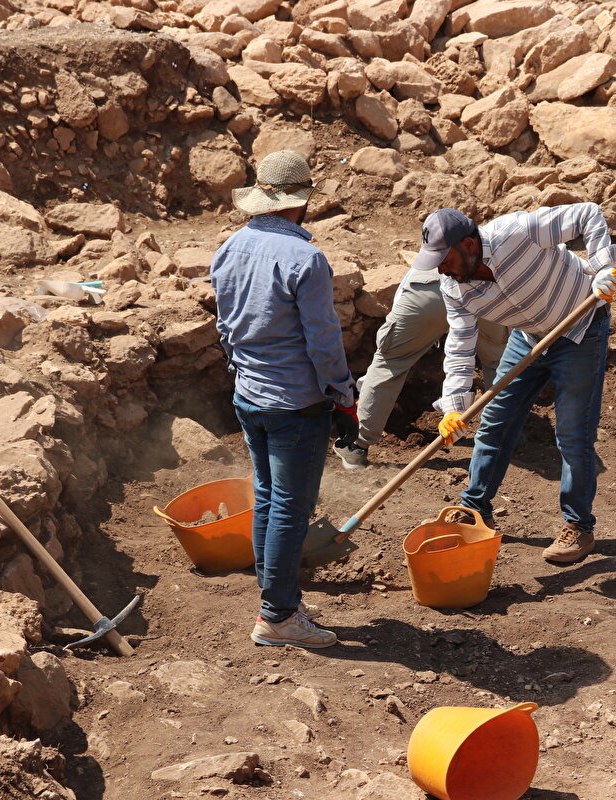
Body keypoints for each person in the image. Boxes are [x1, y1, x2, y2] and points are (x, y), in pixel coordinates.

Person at [410, 204, 616, 564]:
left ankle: (579, 527)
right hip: (527, 339)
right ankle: (476, 509)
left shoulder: (517, 232)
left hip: (580, 327)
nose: (441, 269)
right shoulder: (453, 287)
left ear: (468, 245)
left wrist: (603, 267)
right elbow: (461, 343)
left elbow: (588, 214)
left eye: (443, 259)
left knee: (572, 432)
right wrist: (453, 407)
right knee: (496, 422)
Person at [209, 150, 357, 649]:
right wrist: (343, 396)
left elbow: (225, 327)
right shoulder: (307, 259)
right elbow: (322, 341)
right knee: (291, 507)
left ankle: (280, 598)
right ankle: (276, 616)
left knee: (269, 499)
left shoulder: (230, 248)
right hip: (295, 404)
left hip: (249, 396)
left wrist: (242, 372)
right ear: (302, 201)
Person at [334, 268, 508, 470]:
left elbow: (388, 359)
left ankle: (356, 446)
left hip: (429, 288)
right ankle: (505, 435)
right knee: (498, 361)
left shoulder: (433, 251)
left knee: (390, 361)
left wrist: (365, 392)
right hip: (485, 290)